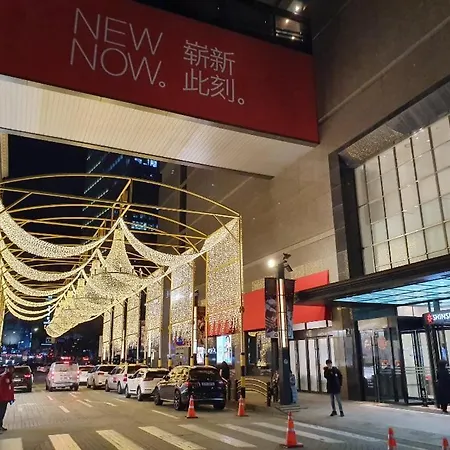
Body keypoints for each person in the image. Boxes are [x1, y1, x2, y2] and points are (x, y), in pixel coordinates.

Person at [0, 364, 15, 433]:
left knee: (2, 413)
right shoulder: (4, 377)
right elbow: (3, 389)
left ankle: (0, 426)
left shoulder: (9, 377)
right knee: (1, 413)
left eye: (12, 369)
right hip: (2, 398)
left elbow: (10, 389)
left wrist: (11, 398)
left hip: (5, 398)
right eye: (10, 369)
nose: (12, 370)